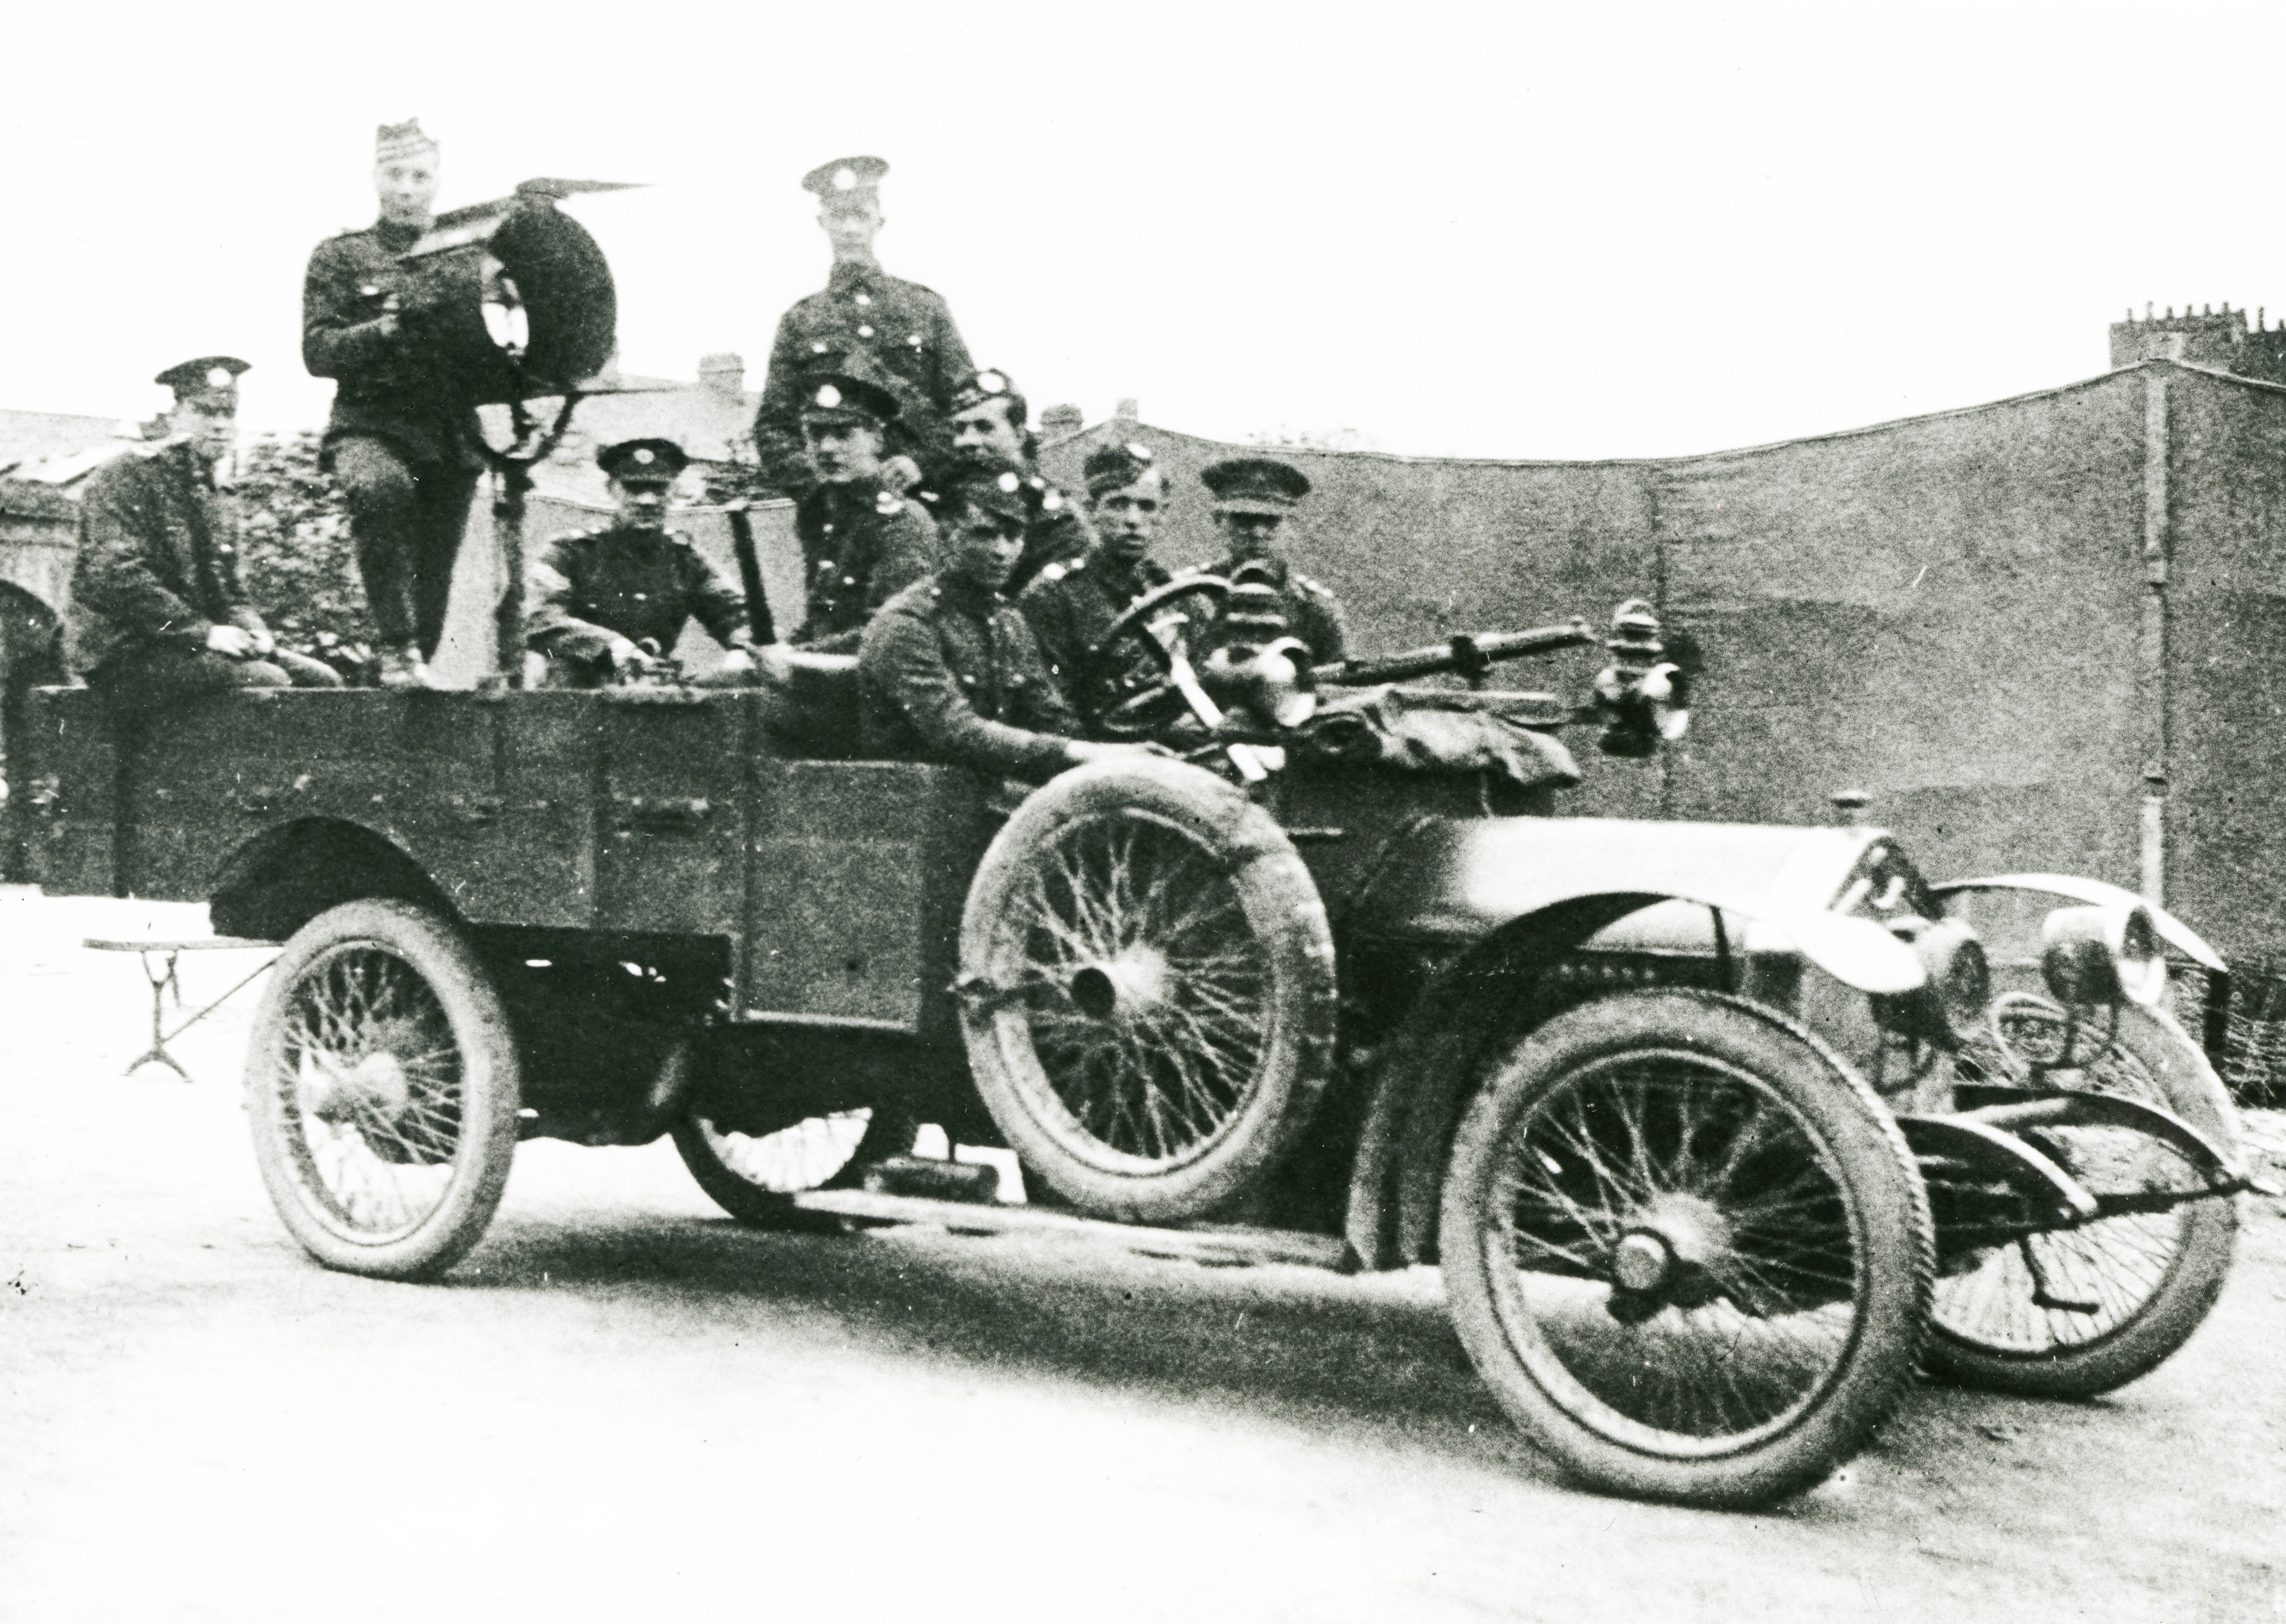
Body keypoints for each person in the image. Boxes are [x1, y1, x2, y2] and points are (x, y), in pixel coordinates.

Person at [302, 118, 487, 689]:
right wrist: (385, 327)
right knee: (380, 489)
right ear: (376, 177)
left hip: (448, 432)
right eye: (395, 174)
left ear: (437, 182)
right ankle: (395, 649)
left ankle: (408, 676)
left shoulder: (468, 257)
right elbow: (318, 351)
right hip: (371, 426)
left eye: (420, 175)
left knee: (433, 573)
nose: (407, 187)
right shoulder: (342, 256)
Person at [69, 359, 344, 713]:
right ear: (174, 415)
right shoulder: (124, 477)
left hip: (188, 646)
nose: (219, 425)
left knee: (323, 682)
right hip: (126, 652)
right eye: (204, 412)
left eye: (228, 414)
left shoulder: (218, 492)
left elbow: (230, 588)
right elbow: (117, 575)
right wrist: (205, 633)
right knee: (269, 681)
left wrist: (254, 632)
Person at [860, 474, 1159, 781]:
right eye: (984, 534)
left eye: (1013, 536)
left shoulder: (1008, 620)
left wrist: (1114, 755)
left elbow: (1050, 715)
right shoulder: (907, 623)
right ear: (948, 534)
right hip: (910, 802)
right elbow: (957, 732)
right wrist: (1081, 753)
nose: (1001, 551)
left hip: (982, 796)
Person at [752, 157, 975, 502]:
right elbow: (774, 428)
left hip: (925, 498)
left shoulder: (925, 307)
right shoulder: (801, 320)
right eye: (840, 217)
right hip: (839, 511)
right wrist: (823, 486)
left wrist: (922, 464)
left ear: (879, 222)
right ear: (823, 222)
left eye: (861, 215)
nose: (851, 229)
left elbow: (967, 409)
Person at [526, 438, 784, 688]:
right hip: (576, 699)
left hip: (653, 694)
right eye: (634, 489)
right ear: (611, 490)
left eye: (658, 489)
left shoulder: (685, 559)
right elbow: (538, 617)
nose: (647, 501)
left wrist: (744, 647)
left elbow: (734, 613)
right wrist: (612, 647)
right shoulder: (572, 552)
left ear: (673, 491)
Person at [1019, 440, 1176, 720]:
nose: (1133, 519)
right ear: (1092, 510)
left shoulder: (1172, 592)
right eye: (1118, 504)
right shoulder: (1053, 594)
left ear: (1162, 514)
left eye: (1147, 507)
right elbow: (1051, 705)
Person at [789, 369, 940, 652]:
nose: (827, 448)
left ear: (877, 439)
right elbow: (821, 619)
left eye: (844, 434)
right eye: (816, 434)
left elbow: (890, 632)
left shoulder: (900, 520)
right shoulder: (829, 512)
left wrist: (796, 658)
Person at [923, 367, 1090, 597]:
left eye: (985, 427)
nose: (967, 441)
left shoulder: (1057, 519)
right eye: (960, 429)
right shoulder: (940, 497)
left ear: (1019, 436)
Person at [1191, 456, 1349, 664]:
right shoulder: (1189, 596)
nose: (1257, 533)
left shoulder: (1314, 608)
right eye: (1243, 520)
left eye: (1271, 522)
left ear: (1290, 526)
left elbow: (1339, 681)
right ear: (1219, 521)